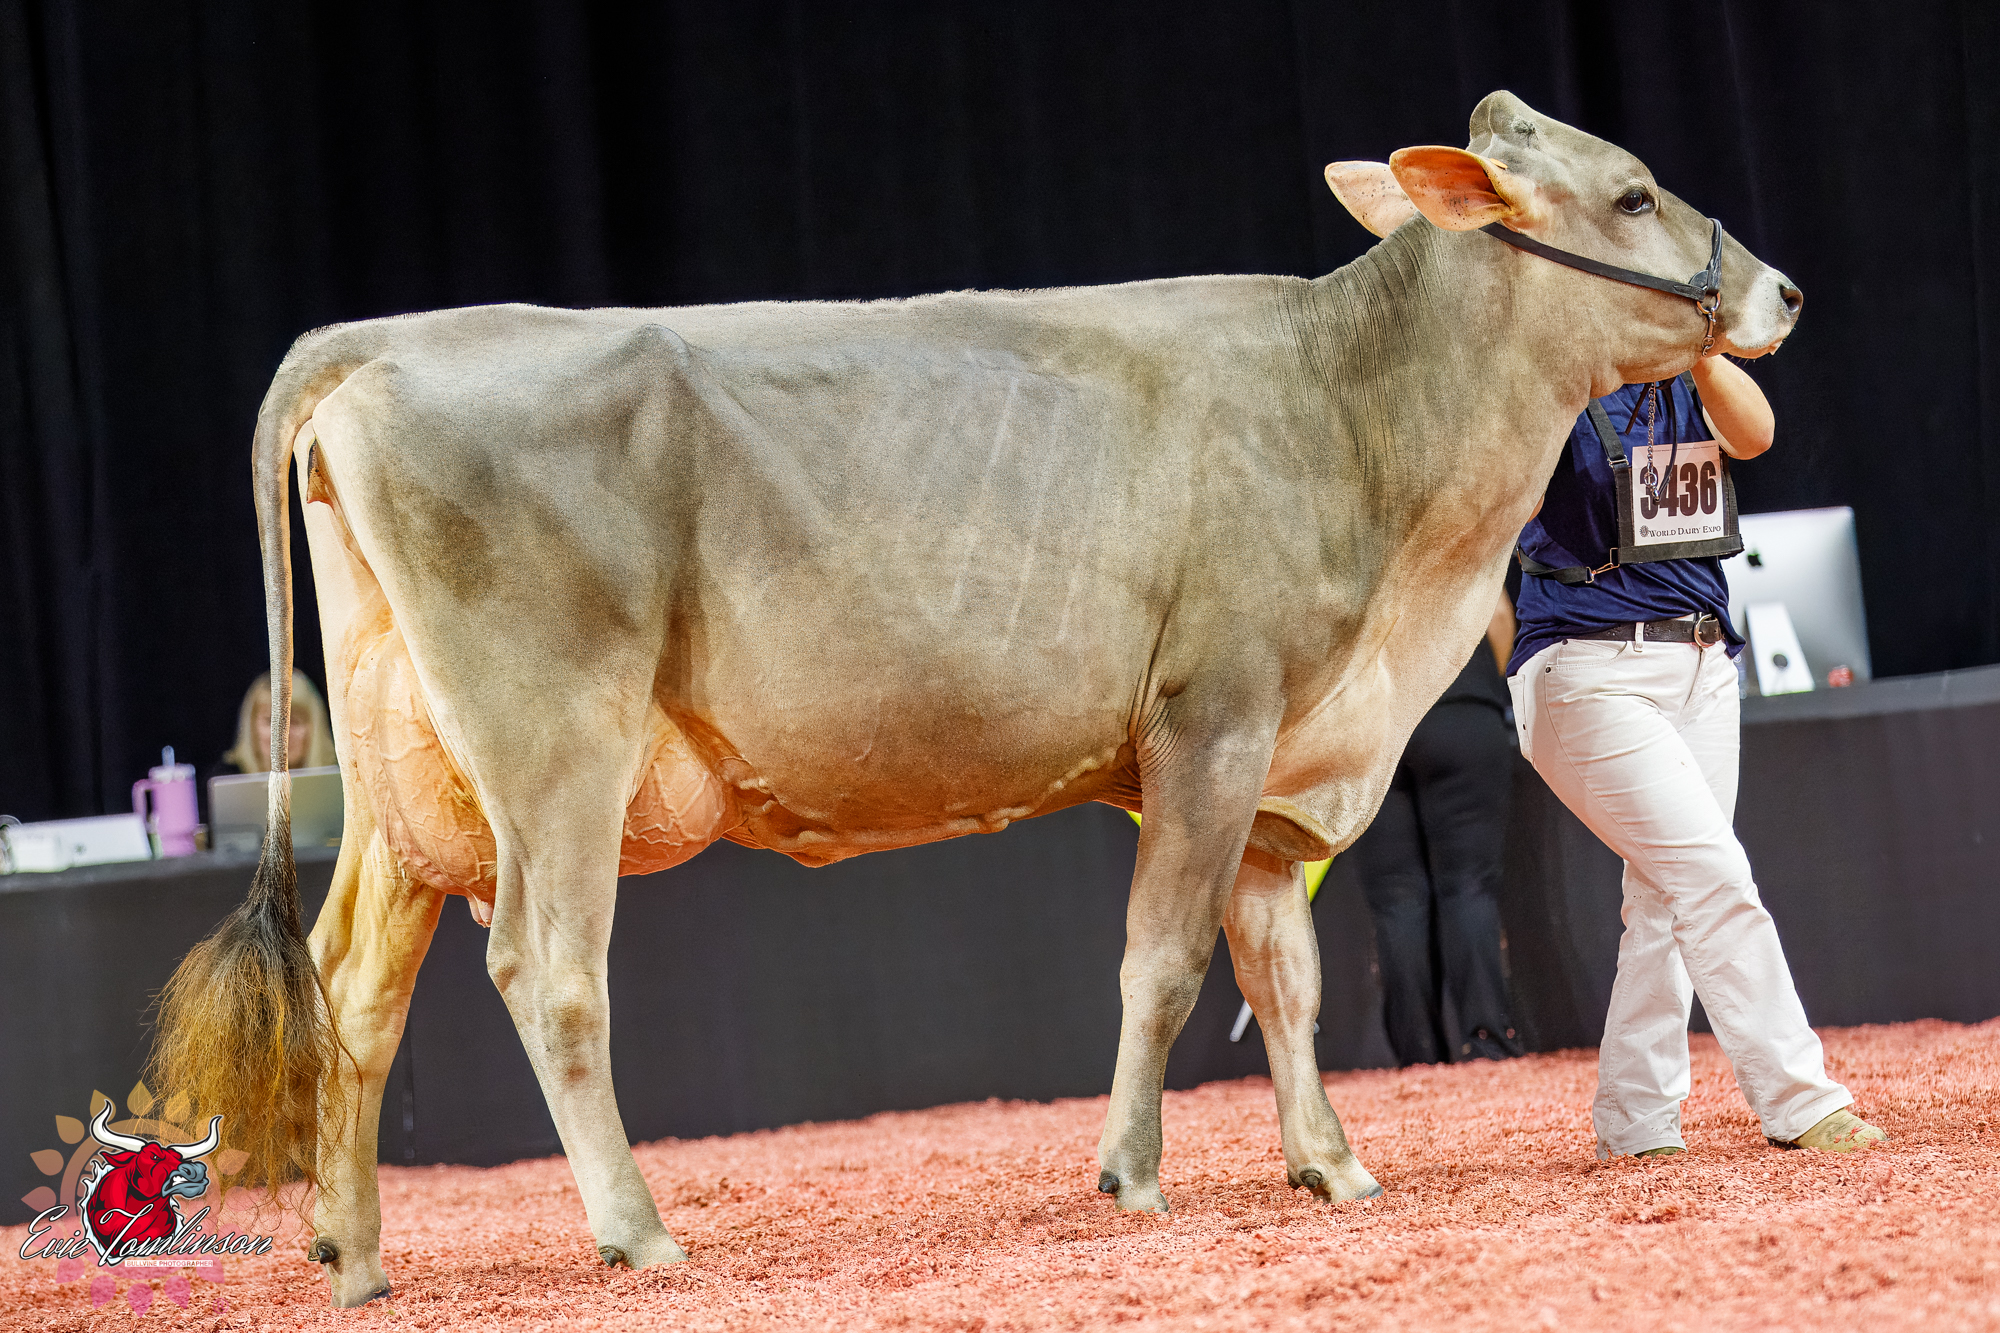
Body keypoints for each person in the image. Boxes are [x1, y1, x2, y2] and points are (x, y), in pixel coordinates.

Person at [1508, 354, 1886, 1157]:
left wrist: (1705, 352)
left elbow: (1757, 433)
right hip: (1586, 668)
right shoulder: (1550, 371)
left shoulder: (1691, 374)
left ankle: (1636, 1119)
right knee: (1713, 875)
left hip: (1705, 663)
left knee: (1665, 895)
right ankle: (1800, 1099)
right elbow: (1513, 498)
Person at [1351, 592, 1525, 1066]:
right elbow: (1498, 613)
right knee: (1469, 886)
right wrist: (1479, 679)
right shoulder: (1453, 539)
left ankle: (1418, 1058)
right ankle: (1487, 1044)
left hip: (1371, 719)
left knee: (1395, 899)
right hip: (1461, 703)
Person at [213, 671, 339, 776]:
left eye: (294, 722)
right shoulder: (225, 777)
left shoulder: (341, 780)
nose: (283, 734)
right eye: (271, 721)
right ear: (252, 726)